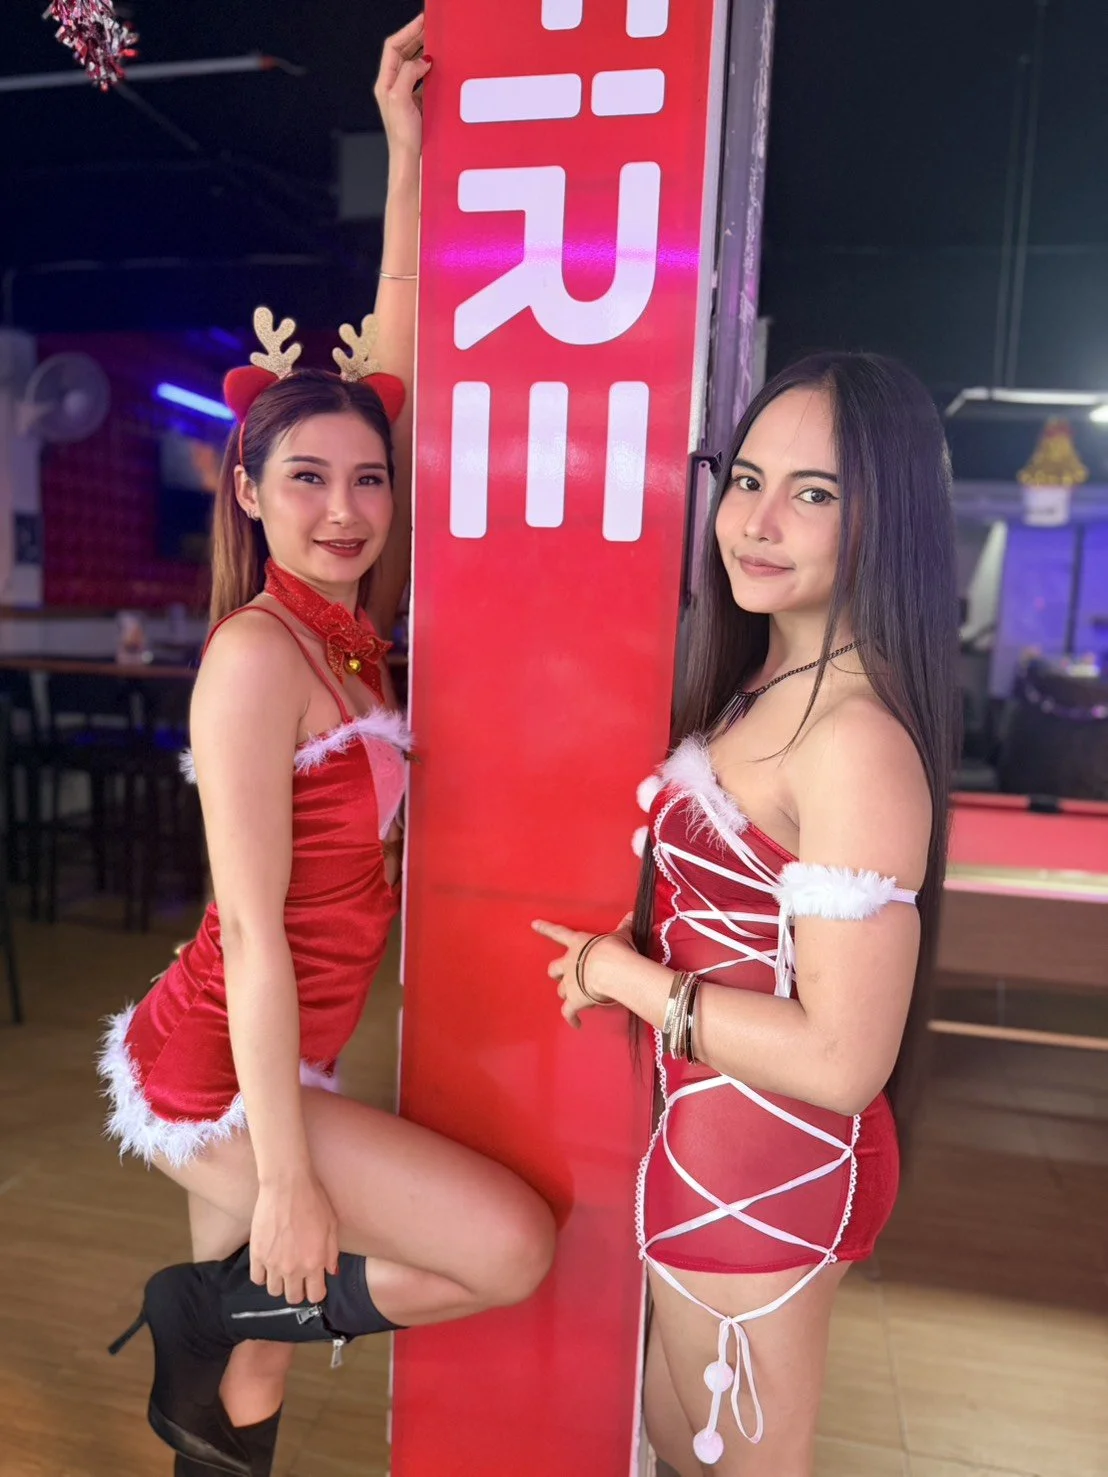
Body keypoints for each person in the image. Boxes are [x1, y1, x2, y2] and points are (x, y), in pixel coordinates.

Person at [99, 19, 555, 1477]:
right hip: (223, 1063)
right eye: (306, 478)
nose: (348, 507)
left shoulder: (348, 633)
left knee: (239, 1387)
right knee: (509, 1248)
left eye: (369, 476)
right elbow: (246, 926)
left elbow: (401, 336)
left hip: (284, 1043)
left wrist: (411, 156)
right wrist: (291, 1170)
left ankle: (211, 1320)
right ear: (247, 487)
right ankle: (207, 1297)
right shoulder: (253, 659)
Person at [534, 352, 958, 1476]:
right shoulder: (763, 686)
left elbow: (838, 1058)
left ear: (887, 518)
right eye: (749, 480)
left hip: (764, 1179)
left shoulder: (856, 741)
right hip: (703, 1165)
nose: (757, 522)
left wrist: (625, 979)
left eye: (812, 494)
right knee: (682, 1451)